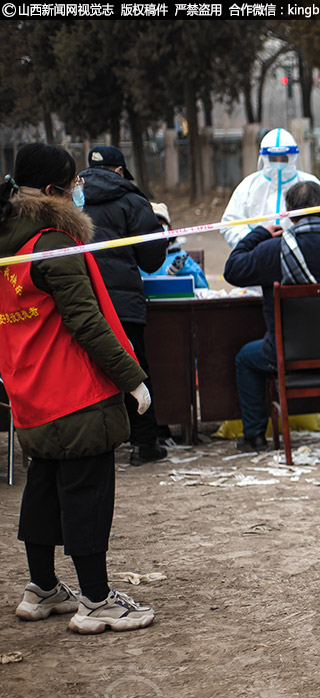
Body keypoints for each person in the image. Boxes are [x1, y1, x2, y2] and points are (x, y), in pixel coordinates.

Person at [1, 143, 155, 634]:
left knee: (43, 488)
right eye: (75, 183)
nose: (80, 190)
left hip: (30, 388)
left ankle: (42, 587)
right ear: (52, 191)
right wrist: (131, 377)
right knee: (86, 493)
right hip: (75, 393)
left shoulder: (10, 241)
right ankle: (96, 599)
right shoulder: (51, 245)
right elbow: (87, 323)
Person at [224, 180, 320, 452]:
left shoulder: (273, 250)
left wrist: (258, 233)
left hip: (283, 352)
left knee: (245, 359)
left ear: (289, 214)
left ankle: (255, 435)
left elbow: (232, 269)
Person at [79, 145, 169, 466]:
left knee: (83, 370)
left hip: (78, 301)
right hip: (122, 303)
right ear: (119, 171)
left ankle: (91, 444)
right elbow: (153, 257)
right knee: (133, 367)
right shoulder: (132, 200)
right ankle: (144, 444)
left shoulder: (68, 200)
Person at [220, 128, 320, 249]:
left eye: (284, 158)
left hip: (302, 257)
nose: (279, 163)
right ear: (264, 158)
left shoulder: (310, 184)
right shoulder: (248, 186)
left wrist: (307, 244)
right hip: (260, 258)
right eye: (273, 159)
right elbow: (230, 224)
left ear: (292, 157)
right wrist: (254, 241)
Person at [146, 202, 209, 289]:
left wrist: (185, 271)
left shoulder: (181, 258)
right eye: (151, 223)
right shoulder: (135, 259)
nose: (156, 229)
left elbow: (204, 288)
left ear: (169, 228)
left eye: (160, 223)